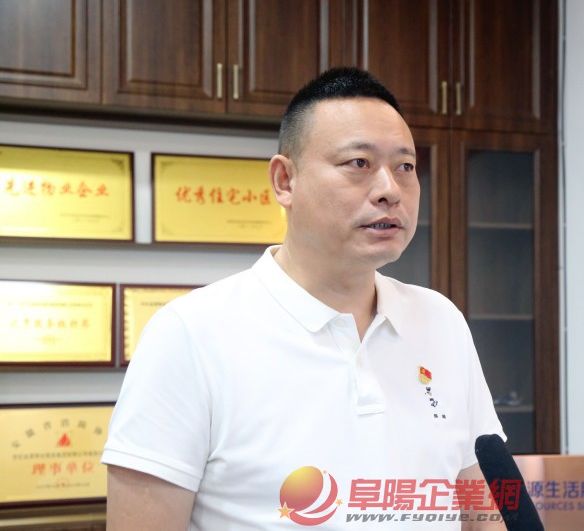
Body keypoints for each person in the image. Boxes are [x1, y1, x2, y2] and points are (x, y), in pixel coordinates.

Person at [102, 67, 506, 530]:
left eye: (405, 167)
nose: (390, 190)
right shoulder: (191, 333)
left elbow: (481, 508)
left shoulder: (440, 319)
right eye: (359, 163)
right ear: (285, 181)